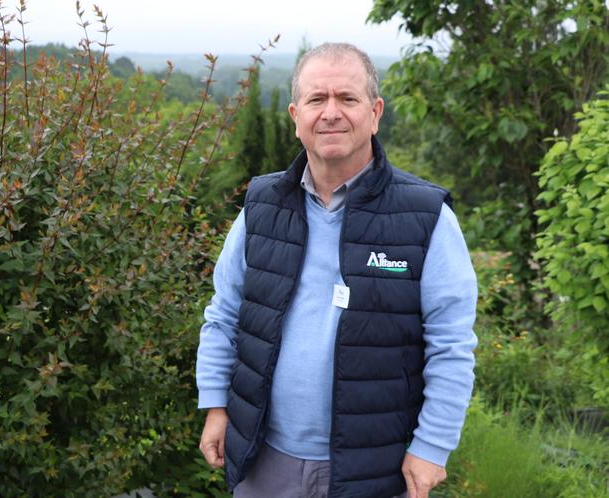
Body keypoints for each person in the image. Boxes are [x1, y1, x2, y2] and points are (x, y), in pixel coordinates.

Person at [196, 42, 477, 498]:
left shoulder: (425, 217)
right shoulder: (261, 207)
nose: (331, 112)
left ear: (375, 111)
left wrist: (432, 446)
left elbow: (451, 346)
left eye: (348, 98)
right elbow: (224, 314)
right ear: (295, 116)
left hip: (375, 470)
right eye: (316, 99)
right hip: (265, 461)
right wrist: (215, 406)